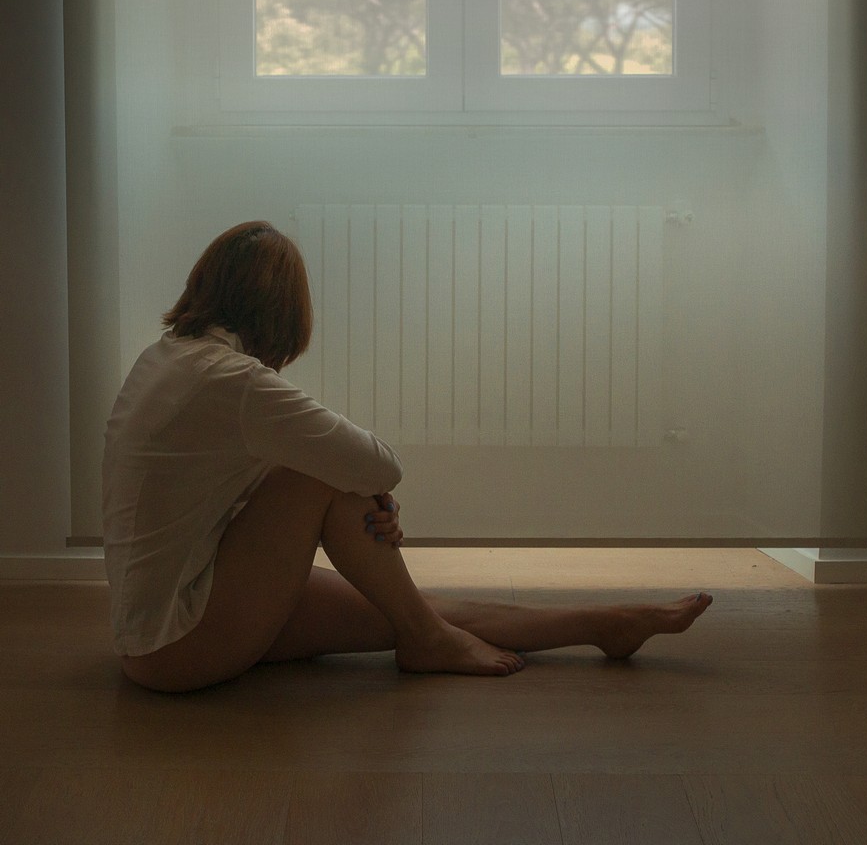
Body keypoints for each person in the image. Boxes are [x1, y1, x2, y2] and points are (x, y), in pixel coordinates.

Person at [103, 221, 712, 693]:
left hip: (166, 624)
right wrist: (364, 493)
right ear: (281, 312)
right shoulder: (231, 381)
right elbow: (378, 465)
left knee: (416, 608)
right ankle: (425, 640)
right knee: (324, 481)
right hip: (179, 643)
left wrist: (359, 496)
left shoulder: (169, 359)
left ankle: (603, 624)